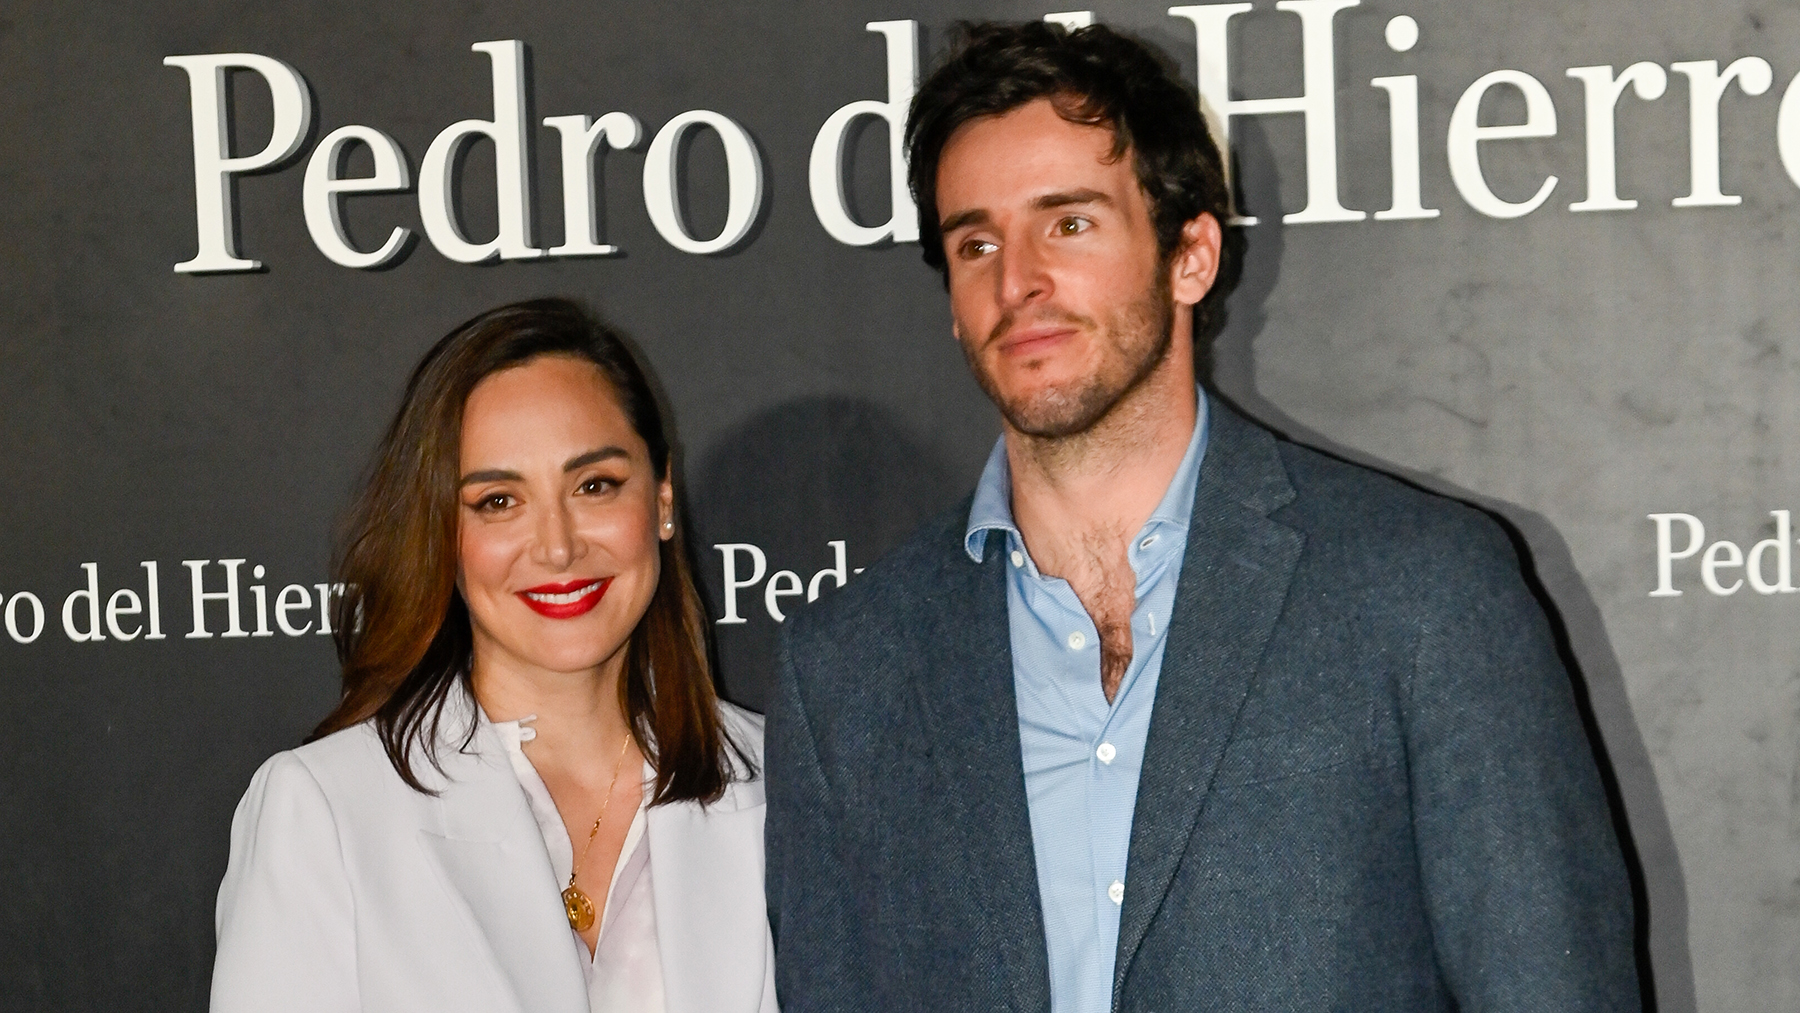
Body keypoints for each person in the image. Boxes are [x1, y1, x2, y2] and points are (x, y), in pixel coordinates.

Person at [765, 22, 1639, 1013]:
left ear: (1191, 255)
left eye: (1070, 223)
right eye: (977, 241)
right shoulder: (851, 667)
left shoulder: (1424, 592)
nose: (1018, 281)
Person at [211, 299, 777, 1013]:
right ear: (444, 534)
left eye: (594, 485)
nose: (559, 546)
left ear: (662, 496)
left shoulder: (779, 787)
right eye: (498, 500)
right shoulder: (326, 811)